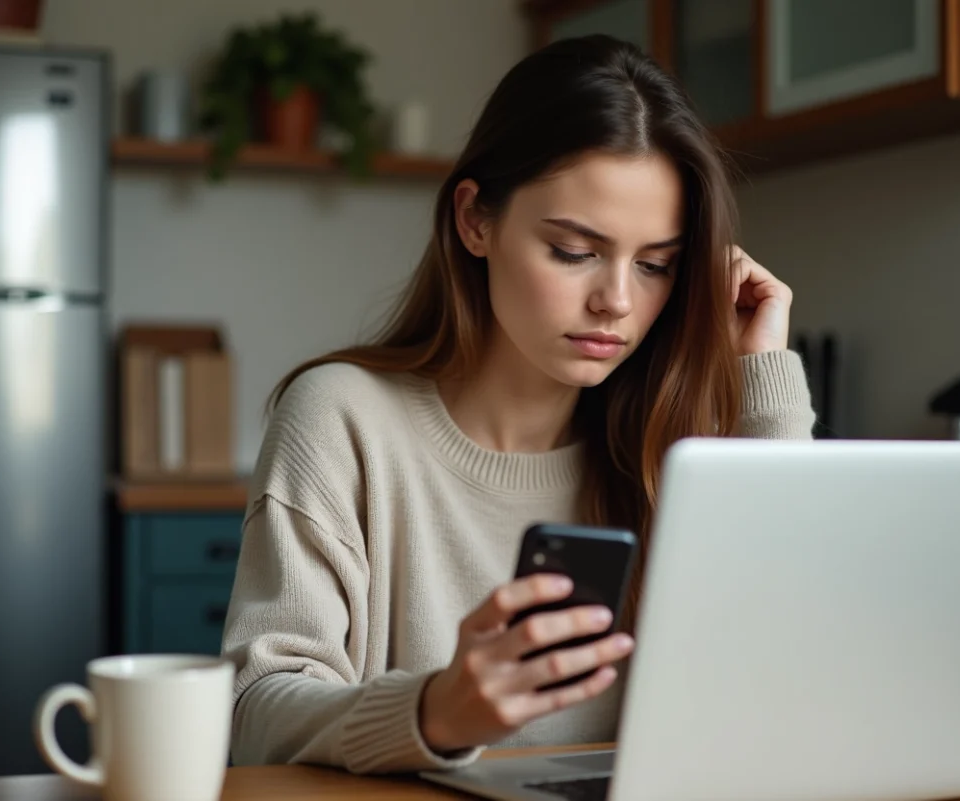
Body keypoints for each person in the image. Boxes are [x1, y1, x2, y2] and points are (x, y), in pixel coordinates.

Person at [220, 34, 815, 776]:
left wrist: (764, 381)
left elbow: (791, 674)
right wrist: (436, 710)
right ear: (475, 220)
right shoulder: (342, 418)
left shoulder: (677, 446)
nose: (618, 302)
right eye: (574, 251)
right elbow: (256, 708)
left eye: (658, 264)